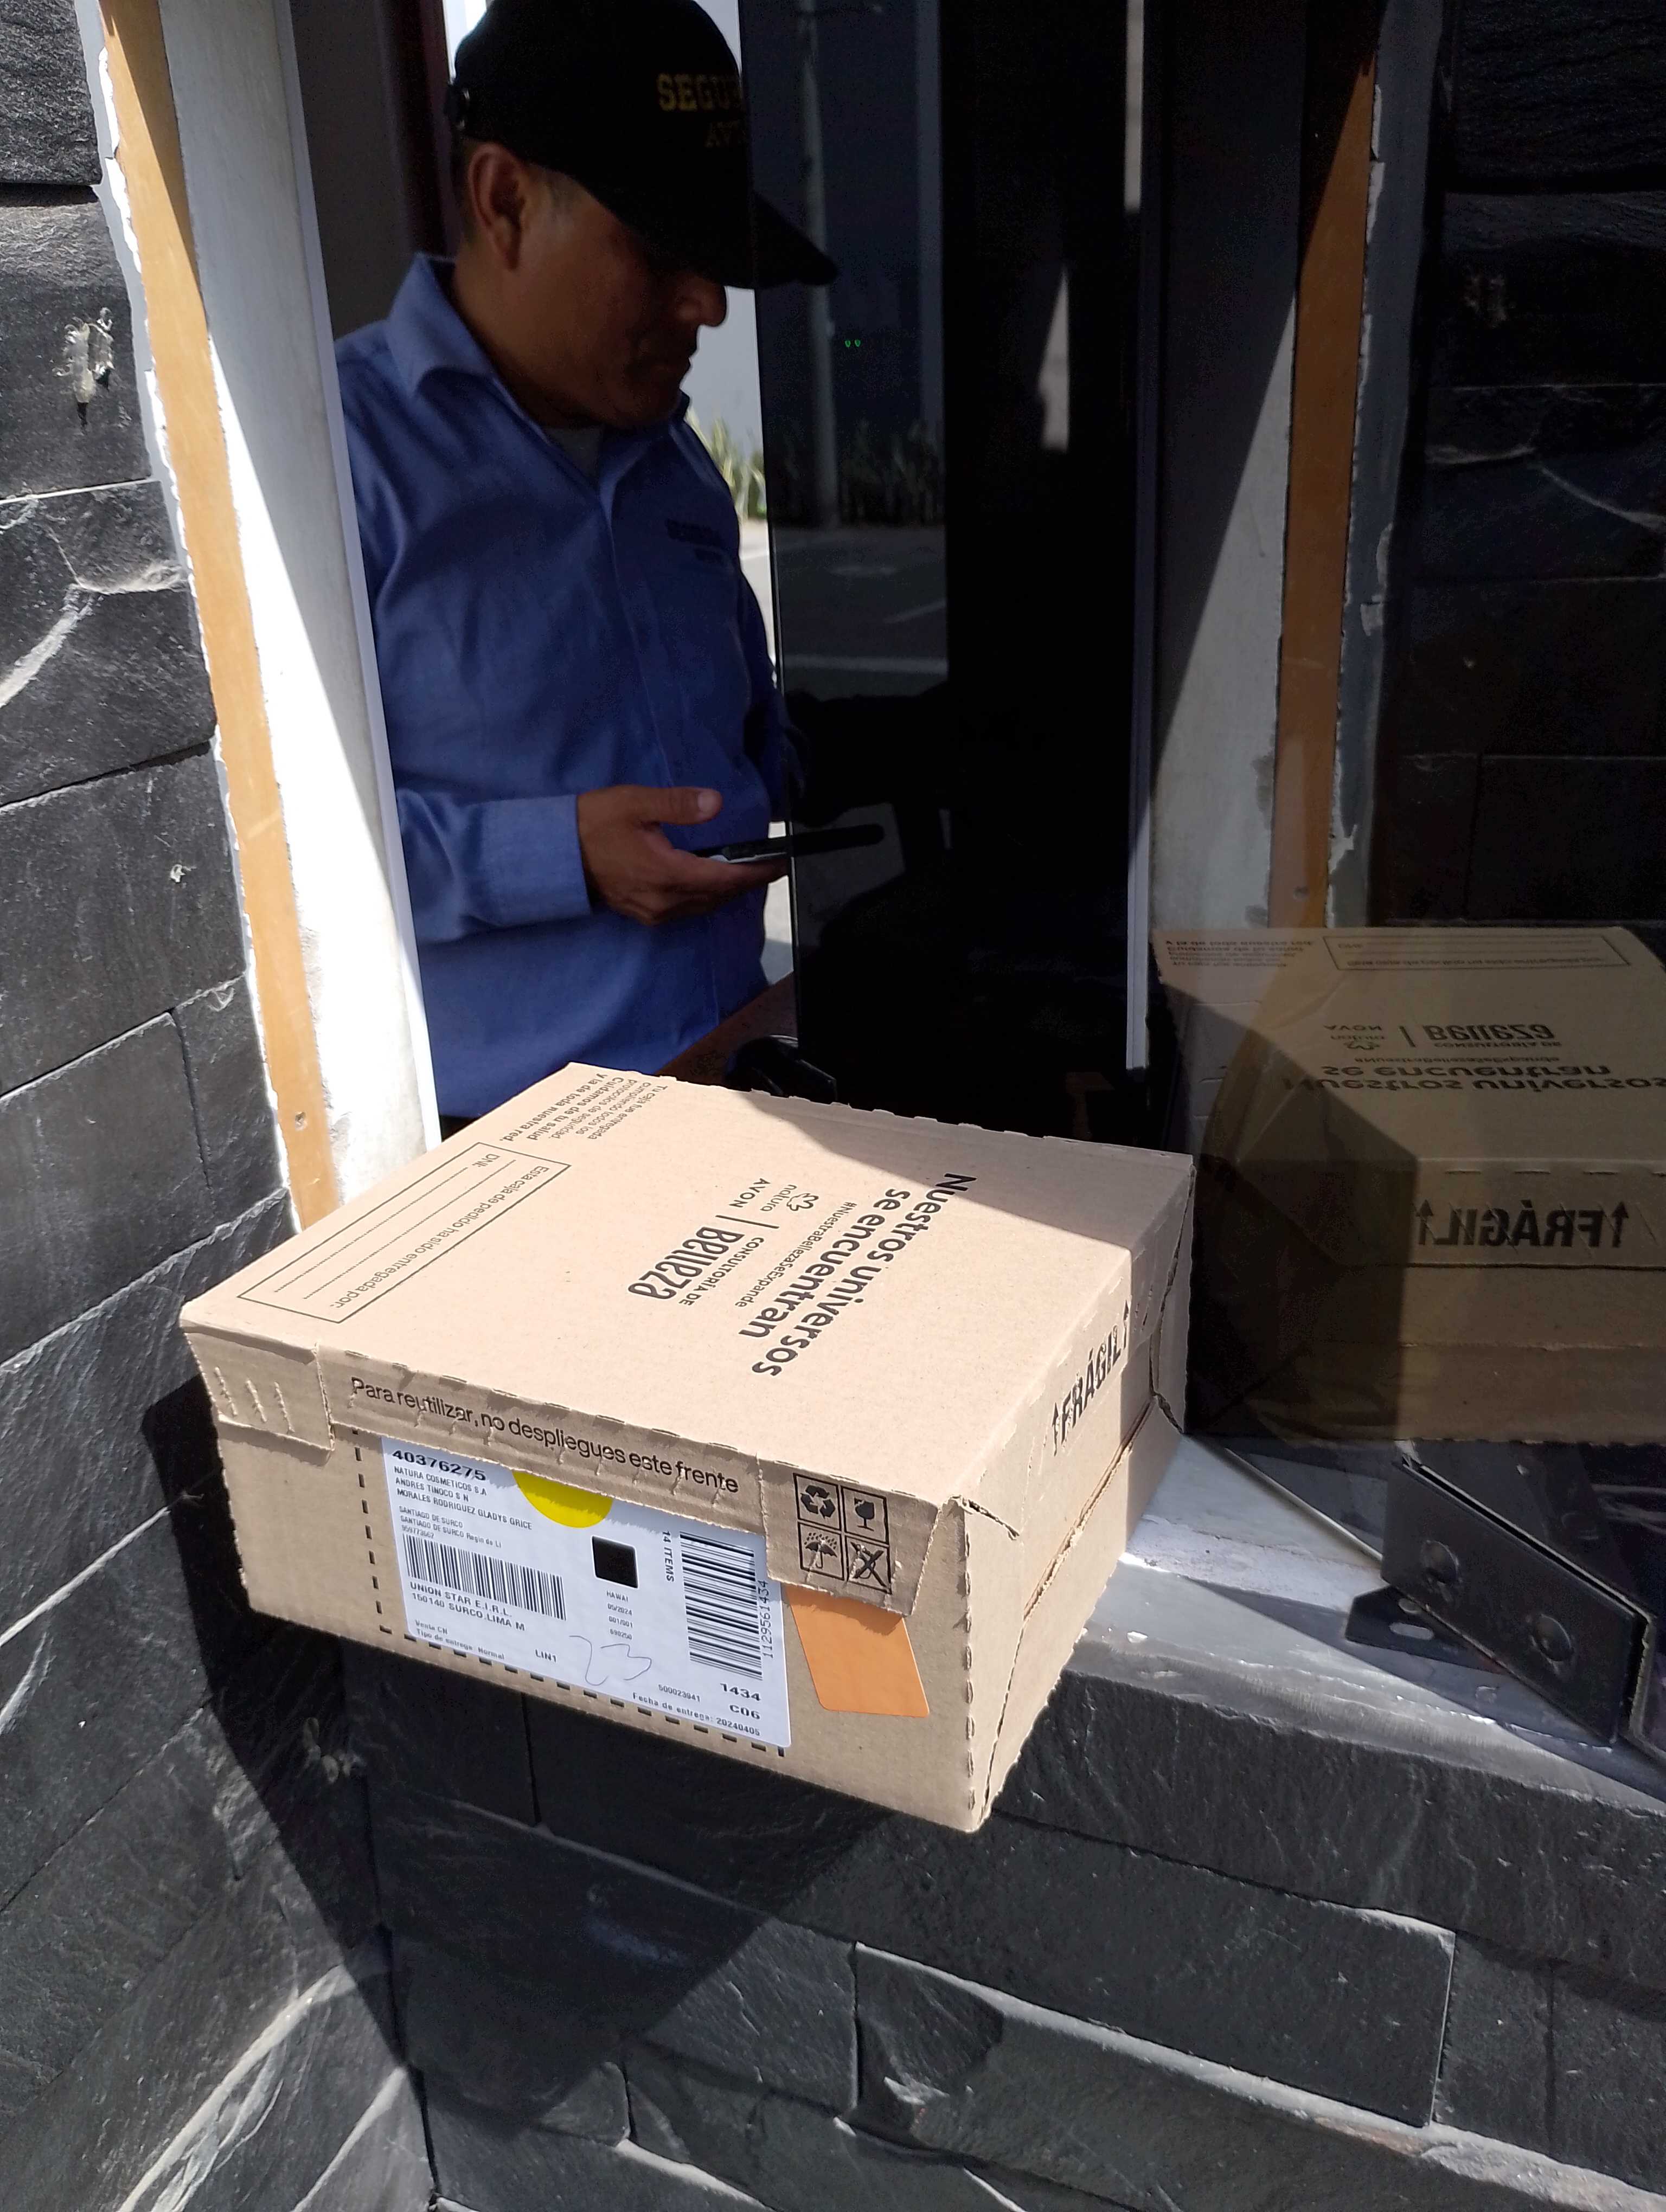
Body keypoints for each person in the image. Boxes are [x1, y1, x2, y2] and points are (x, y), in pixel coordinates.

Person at [335, 0, 832, 1123]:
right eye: (659, 252)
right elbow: (282, 858)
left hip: (741, 1076)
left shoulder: (676, 464)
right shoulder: (336, 460)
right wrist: (562, 854)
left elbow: (743, 743)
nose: (708, 304)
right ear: (505, 201)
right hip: (513, 1149)